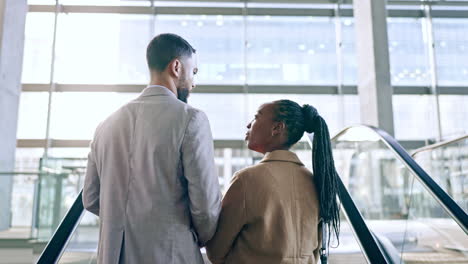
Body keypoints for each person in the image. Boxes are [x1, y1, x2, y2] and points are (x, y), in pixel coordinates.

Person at [83, 33, 222, 264]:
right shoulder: (190, 119)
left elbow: (90, 198)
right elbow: (206, 208)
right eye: (193, 72)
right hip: (170, 254)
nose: (194, 82)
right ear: (176, 67)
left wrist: (125, 221)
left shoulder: (105, 125)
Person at [206, 99, 341, 264]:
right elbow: (315, 251)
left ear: (277, 128)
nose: (249, 125)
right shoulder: (316, 182)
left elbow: (216, 252)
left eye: (256, 117)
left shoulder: (247, 180)